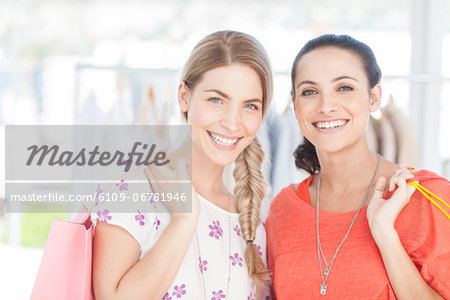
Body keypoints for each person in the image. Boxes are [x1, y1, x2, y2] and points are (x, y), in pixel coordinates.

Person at [266, 34, 450, 299]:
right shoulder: (282, 209)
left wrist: (386, 235)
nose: (326, 106)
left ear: (374, 98)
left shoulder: (427, 198)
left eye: (344, 88)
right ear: (295, 106)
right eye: (309, 91)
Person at [92, 30, 273, 300]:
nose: (233, 123)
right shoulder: (130, 195)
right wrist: (184, 220)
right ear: (184, 96)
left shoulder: (250, 223)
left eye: (249, 106)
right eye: (217, 100)